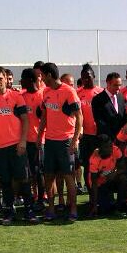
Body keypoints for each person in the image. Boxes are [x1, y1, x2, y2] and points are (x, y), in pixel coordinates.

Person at [0, 66, 34, 224]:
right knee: (5, 180)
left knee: (24, 178)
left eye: (0, 79)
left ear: (6, 78)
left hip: (16, 144)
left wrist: (23, 141)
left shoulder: (16, 96)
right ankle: (9, 211)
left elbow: (25, 119)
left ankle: (29, 210)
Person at [38, 62, 83, 221]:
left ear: (49, 75)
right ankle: (51, 209)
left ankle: (73, 209)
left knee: (68, 176)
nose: (41, 78)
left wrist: (74, 140)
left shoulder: (69, 91)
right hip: (49, 141)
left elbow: (79, 117)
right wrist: (39, 136)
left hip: (66, 141)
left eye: (42, 75)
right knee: (48, 176)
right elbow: (44, 116)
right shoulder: (46, 92)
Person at [20, 68, 47, 210]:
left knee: (38, 171)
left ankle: (41, 199)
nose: (20, 81)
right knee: (27, 171)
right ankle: (30, 198)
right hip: (24, 141)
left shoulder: (43, 95)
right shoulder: (21, 96)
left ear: (30, 80)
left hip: (39, 140)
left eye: (22, 79)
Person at [77, 64, 103, 193]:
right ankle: (91, 193)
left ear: (93, 76)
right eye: (83, 78)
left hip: (99, 136)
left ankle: (102, 192)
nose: (86, 80)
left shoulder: (101, 92)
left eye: (88, 77)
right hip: (85, 137)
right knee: (87, 165)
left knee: (101, 164)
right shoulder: (77, 93)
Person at [87, 134, 127, 217]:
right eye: (106, 147)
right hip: (100, 185)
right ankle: (100, 204)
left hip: (112, 180)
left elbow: (123, 168)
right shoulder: (94, 159)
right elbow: (94, 183)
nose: (110, 149)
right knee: (104, 209)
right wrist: (94, 206)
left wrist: (114, 173)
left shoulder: (115, 150)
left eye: (110, 145)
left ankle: (120, 206)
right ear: (100, 148)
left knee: (123, 178)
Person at [92, 72, 127, 140]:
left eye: (120, 85)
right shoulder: (98, 99)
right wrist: (114, 138)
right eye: (115, 85)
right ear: (108, 83)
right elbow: (100, 122)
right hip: (106, 140)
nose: (118, 88)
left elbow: (124, 116)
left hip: (121, 138)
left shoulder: (120, 97)